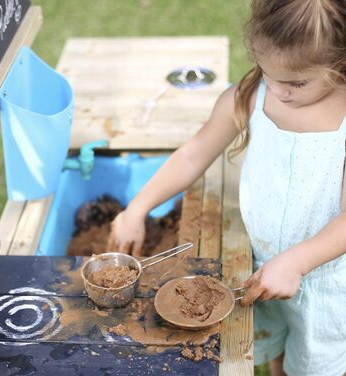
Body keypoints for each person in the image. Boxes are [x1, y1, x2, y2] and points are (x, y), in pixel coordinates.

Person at [107, 1, 346, 374]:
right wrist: (137, 207)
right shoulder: (252, 97)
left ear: (339, 63)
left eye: (296, 82)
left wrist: (297, 261)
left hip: (328, 287)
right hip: (261, 267)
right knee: (279, 357)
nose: (279, 92)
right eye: (269, 73)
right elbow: (192, 156)